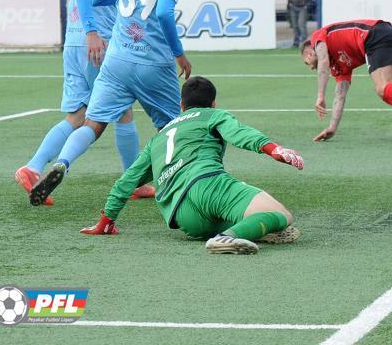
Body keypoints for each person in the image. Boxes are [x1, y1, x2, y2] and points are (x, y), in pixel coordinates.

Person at [29, 0, 193, 206]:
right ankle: (179, 187)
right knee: (172, 128)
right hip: (153, 62)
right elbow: (164, 13)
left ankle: (62, 162)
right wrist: (179, 53)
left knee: (92, 123)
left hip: (116, 60)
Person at [15, 0, 152, 204]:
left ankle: (33, 167)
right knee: (123, 110)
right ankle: (133, 182)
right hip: (95, 42)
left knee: (78, 115)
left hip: (75, 41)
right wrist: (93, 32)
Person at [79, 76, 304, 255]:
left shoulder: (159, 137)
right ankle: (228, 237)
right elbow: (238, 133)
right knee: (281, 215)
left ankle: (239, 231)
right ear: (213, 103)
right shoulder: (213, 115)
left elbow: (127, 181)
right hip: (206, 184)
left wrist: (106, 222)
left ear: (181, 105)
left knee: (248, 217)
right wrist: (272, 148)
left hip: (184, 218)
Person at [300, 19, 392, 142]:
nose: (311, 68)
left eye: (307, 63)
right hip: (388, 36)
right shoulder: (338, 66)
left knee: (383, 87)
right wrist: (332, 127)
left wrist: (320, 96)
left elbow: (323, 62)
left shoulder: (317, 38)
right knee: (384, 91)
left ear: (309, 53)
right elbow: (340, 96)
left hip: (375, 34)